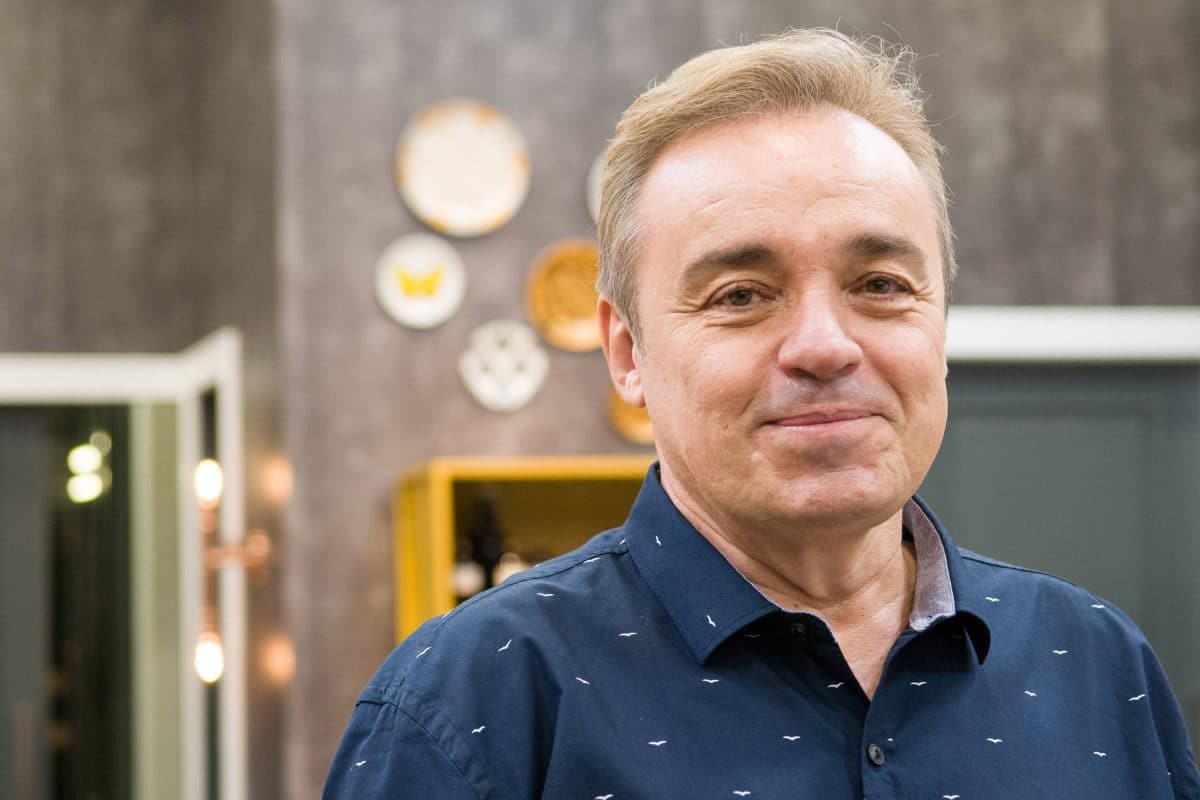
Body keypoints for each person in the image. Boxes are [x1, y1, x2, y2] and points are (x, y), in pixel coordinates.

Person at [324, 28, 1200, 798]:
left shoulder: (1097, 666)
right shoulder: (469, 707)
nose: (824, 346)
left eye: (880, 285)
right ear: (627, 352)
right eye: (741, 294)